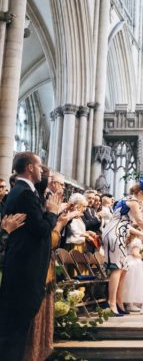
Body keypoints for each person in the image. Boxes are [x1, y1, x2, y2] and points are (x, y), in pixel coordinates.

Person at [0, 152, 61, 361]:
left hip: (24, 268)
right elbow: (42, 229)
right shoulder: (24, 193)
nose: (42, 169)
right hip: (25, 271)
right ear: (30, 167)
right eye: (39, 165)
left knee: (15, 329)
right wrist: (52, 212)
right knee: (14, 330)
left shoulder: (25, 192)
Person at [102, 179, 143, 316]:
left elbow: (127, 224)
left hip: (118, 232)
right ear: (140, 193)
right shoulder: (133, 202)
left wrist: (142, 234)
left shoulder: (126, 200)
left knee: (123, 269)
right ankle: (111, 303)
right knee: (117, 268)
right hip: (115, 234)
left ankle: (119, 302)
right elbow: (139, 221)